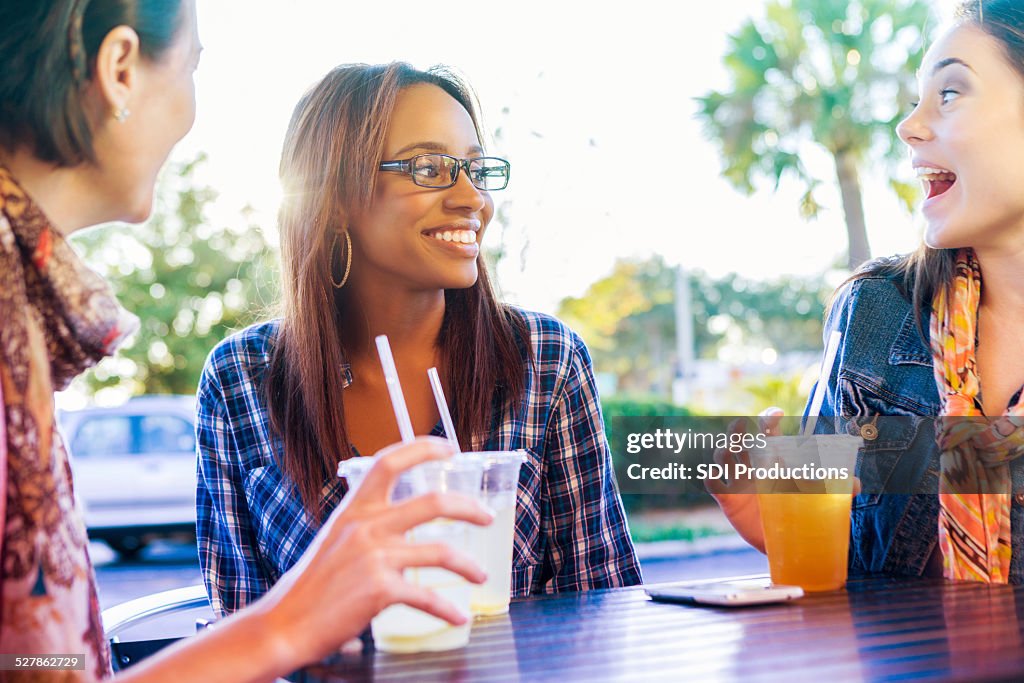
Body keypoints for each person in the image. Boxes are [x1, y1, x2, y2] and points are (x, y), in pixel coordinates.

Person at [0, 2, 492, 680]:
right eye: (193, 65)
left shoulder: (19, 317)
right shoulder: (18, 329)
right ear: (120, 70)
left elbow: (29, 662)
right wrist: (287, 622)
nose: (192, 111)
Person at [195, 62, 642, 616]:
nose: (471, 197)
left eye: (476, 170)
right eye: (429, 167)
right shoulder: (241, 378)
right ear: (334, 198)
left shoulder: (545, 361)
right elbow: (240, 630)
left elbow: (608, 605)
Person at [711, 0, 1024, 585]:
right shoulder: (876, 312)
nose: (909, 125)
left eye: (950, 93)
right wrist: (770, 525)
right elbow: (836, 570)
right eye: (914, 100)